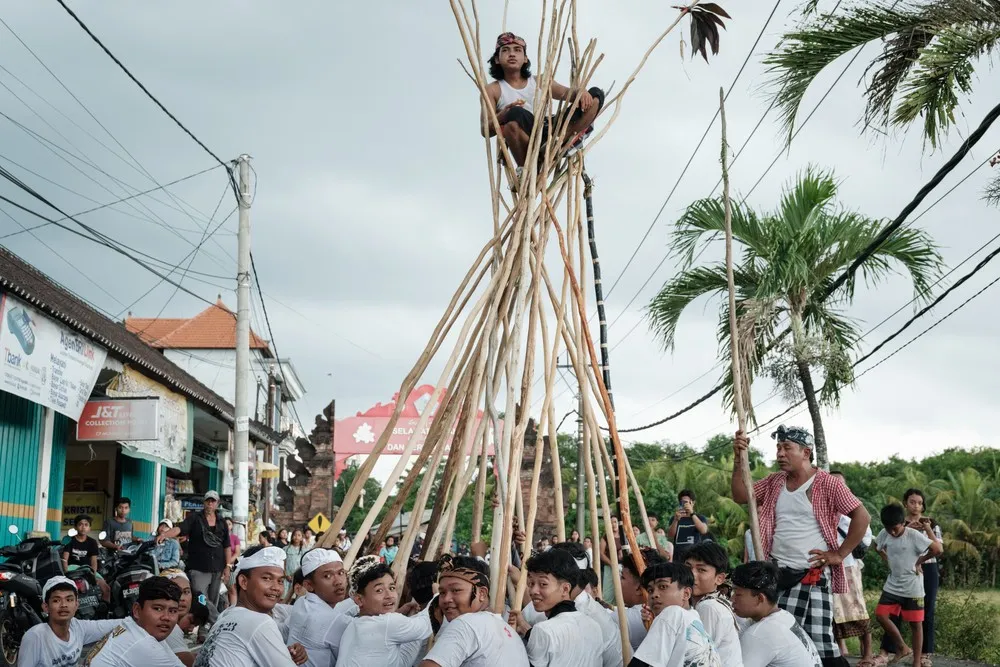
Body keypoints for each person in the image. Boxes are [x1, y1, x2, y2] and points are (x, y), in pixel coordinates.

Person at [732, 426, 870, 667]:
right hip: (777, 575)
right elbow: (742, 495)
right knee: (782, 637)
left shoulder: (827, 483)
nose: (780, 454)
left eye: (787, 448)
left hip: (812, 577)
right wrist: (737, 458)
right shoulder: (775, 482)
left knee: (821, 646)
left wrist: (839, 554)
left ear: (806, 452)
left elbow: (862, 516)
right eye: (778, 448)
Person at [482, 32, 605, 172]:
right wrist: (504, 113)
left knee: (595, 94)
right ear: (497, 59)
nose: (511, 54)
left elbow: (566, 93)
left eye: (517, 50)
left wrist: (580, 92)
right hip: (525, 135)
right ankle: (526, 170)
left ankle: (562, 141)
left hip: (550, 129)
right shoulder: (493, 90)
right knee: (514, 115)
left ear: (525, 59)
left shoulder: (539, 81)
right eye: (505, 50)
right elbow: (485, 129)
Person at [193, 545, 306, 666]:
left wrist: (283, 653)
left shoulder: (226, 615)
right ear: (244, 582)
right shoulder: (260, 621)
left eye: (280, 581)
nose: (276, 588)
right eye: (267, 578)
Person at [518, 542, 622, 667]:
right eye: (531, 583)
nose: (534, 591)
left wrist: (530, 633)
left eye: (543, 583)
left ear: (566, 585)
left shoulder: (595, 618)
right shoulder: (592, 624)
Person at [419, 555, 528, 667]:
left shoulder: (465, 623)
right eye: (442, 593)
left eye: (456, 590)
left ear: (482, 593)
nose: (446, 599)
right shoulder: (510, 633)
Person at [873, 504, 942, 667]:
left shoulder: (913, 535)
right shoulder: (885, 533)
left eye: (895, 529)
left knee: (915, 625)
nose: (892, 532)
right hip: (892, 585)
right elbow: (877, 545)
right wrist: (886, 557)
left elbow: (937, 549)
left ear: (902, 523)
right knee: (881, 615)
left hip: (913, 587)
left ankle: (917, 662)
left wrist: (920, 561)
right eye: (889, 529)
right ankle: (902, 647)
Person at [335, 557, 432, 667]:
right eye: (379, 590)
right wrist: (438, 594)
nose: (389, 595)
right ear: (359, 600)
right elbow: (425, 625)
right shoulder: (388, 623)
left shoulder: (353, 625)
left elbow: (401, 661)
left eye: (392, 588)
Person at [159, 491, 232, 630]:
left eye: (213, 501)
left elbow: (227, 546)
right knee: (201, 598)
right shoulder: (194, 518)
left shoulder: (222, 521)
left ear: (217, 503)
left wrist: (227, 566)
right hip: (198, 567)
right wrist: (165, 534)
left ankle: (205, 632)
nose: (210, 503)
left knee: (213, 600)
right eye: (208, 501)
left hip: (217, 567)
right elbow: (179, 529)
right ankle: (219, 621)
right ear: (204, 502)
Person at [630, 561, 721, 667]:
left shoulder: (672, 613)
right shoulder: (695, 620)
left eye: (663, 587)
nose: (654, 595)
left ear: (686, 593)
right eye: (650, 590)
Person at [731, 561, 822, 667]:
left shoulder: (760, 633)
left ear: (760, 598)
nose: (732, 599)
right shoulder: (784, 617)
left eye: (737, 594)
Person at [16, 576, 120, 667]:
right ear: (46, 607)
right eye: (56, 600)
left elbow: (111, 625)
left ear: (76, 605)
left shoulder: (77, 627)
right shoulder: (35, 637)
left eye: (69, 600)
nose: (63, 605)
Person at [83, 576, 184, 666]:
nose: (166, 617)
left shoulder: (133, 628)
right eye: (157, 608)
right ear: (136, 610)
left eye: (173, 611)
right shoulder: (143, 644)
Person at [828, 472, 874, 666]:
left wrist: (844, 550)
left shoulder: (853, 513)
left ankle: (868, 654)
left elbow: (866, 539)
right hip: (829, 568)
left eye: (841, 484)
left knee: (858, 609)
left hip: (848, 567)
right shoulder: (823, 510)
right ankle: (839, 650)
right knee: (833, 611)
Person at [285, 548, 351, 667]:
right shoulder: (336, 622)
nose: (338, 582)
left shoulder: (301, 603)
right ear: (308, 585)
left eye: (341, 573)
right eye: (327, 576)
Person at [683, 542, 743, 666]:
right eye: (688, 568)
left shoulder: (708, 607)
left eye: (701, 570)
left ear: (719, 578)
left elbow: (697, 658)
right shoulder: (711, 601)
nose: (692, 575)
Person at [621, 548, 667, 650]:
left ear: (638, 588)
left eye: (622, 577)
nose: (618, 582)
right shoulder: (667, 613)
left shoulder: (621, 619)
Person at [161, 570, 197, 667]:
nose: (182, 598)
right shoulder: (168, 624)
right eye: (175, 591)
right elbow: (191, 664)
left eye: (186, 592)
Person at [667, 490, 709, 560]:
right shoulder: (675, 518)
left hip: (694, 556)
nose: (684, 504)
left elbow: (703, 530)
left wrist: (692, 514)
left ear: (693, 503)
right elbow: (670, 535)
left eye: (686, 502)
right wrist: (676, 520)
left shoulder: (700, 518)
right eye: (682, 502)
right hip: (678, 557)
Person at [599, 517, 622, 605]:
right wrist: (612, 564)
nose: (613, 524)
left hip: (622, 567)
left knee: (621, 592)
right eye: (611, 522)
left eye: (615, 522)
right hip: (609, 567)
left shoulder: (624, 536)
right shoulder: (605, 537)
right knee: (608, 593)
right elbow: (601, 554)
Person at [285, 530, 307, 596]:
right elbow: (283, 563)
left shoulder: (304, 550)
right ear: (291, 537)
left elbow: (305, 564)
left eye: (299, 535)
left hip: (299, 577)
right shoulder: (286, 549)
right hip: (287, 578)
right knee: (286, 597)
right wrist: (286, 574)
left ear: (301, 538)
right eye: (294, 535)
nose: (296, 537)